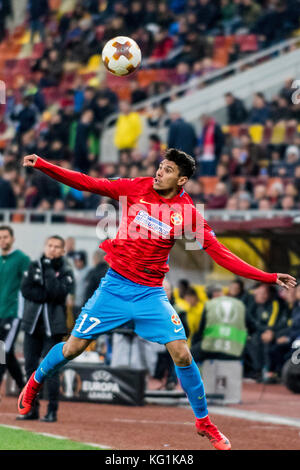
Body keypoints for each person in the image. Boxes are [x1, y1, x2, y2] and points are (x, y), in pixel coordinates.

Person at [18, 149, 296, 451]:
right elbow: (89, 182)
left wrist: (267, 277)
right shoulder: (136, 187)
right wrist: (44, 165)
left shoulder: (188, 213)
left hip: (150, 294)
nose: (159, 172)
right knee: (73, 348)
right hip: (114, 288)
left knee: (181, 353)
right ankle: (35, 382)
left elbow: (221, 254)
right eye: (160, 167)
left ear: (182, 179)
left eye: (167, 170)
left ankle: (204, 422)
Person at [18, 235, 74, 422]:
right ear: (45, 246)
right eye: (49, 245)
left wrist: (49, 270)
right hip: (32, 325)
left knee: (51, 369)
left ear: (63, 250)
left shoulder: (66, 270)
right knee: (30, 367)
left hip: (54, 327)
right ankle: (31, 409)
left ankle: (52, 410)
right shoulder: (34, 265)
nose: (52, 249)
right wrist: (46, 293)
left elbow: (58, 293)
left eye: (57, 246)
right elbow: (26, 290)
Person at [0, 226, 30, 392]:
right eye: (0, 237)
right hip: (0, 311)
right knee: (7, 353)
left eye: (5, 237)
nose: (3, 240)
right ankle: (24, 389)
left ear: (12, 238)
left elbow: (28, 283)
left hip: (13, 313)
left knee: (2, 351)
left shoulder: (21, 259)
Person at [191, 284, 247, 363]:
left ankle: (175, 375)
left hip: (212, 349)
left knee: (188, 356)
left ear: (213, 295)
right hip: (236, 351)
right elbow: (252, 326)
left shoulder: (209, 305)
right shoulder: (239, 304)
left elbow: (200, 331)